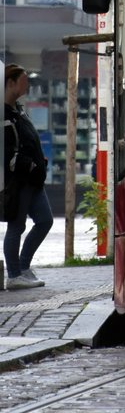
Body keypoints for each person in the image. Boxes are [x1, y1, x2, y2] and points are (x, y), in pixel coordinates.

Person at [3, 64, 53, 289]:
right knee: (16, 226)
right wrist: (30, 166)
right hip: (19, 181)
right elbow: (7, 150)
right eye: (24, 80)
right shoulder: (4, 113)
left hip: (33, 180)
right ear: (11, 83)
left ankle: (23, 266)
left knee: (44, 221)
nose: (28, 84)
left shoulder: (18, 109)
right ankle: (14, 275)